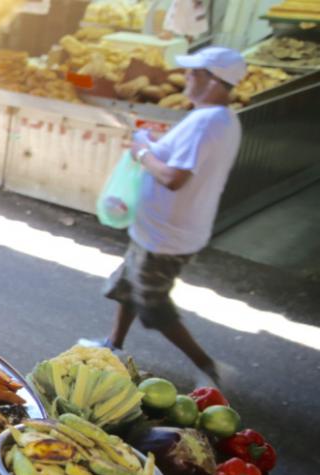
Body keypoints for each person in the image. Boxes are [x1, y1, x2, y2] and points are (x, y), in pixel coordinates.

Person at [87, 47, 245, 386]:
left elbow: (175, 178)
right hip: (162, 230)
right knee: (129, 285)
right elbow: (185, 160)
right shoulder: (221, 118)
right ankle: (112, 346)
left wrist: (142, 152)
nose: (185, 78)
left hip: (166, 236)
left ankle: (209, 366)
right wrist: (154, 144)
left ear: (214, 81)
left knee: (152, 303)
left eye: (193, 73)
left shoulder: (206, 123)